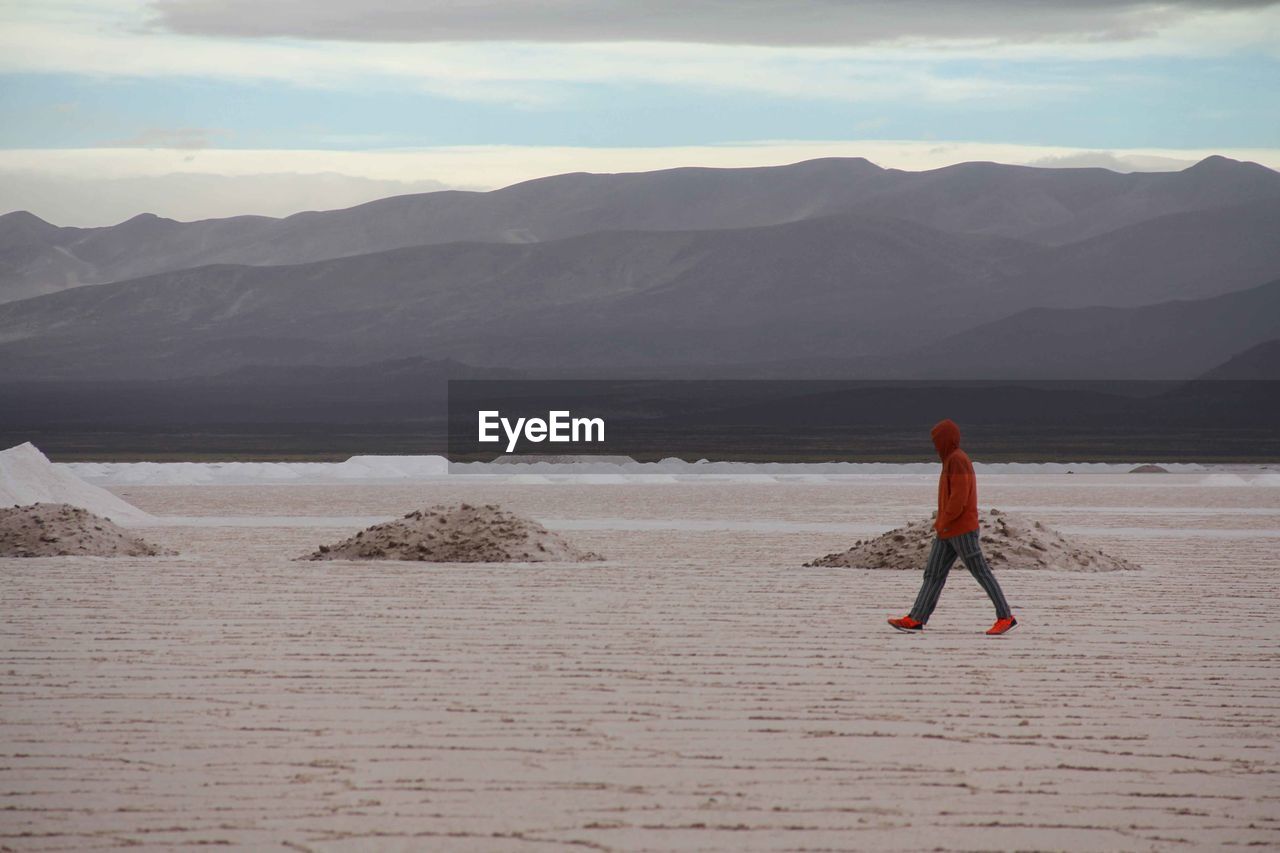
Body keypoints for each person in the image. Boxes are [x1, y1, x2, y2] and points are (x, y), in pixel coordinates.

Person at [888, 419, 1017, 636]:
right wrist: (943, 525)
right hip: (947, 530)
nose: (935, 445)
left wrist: (943, 520)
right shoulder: (950, 460)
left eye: (937, 440)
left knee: (981, 572)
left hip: (961, 529)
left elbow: (959, 497)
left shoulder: (957, 460)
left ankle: (1005, 617)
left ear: (947, 439)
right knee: (933, 574)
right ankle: (916, 618)